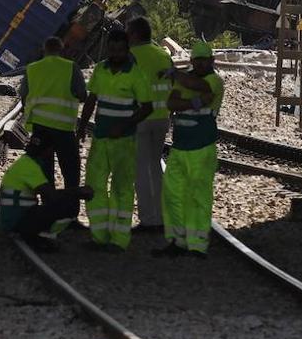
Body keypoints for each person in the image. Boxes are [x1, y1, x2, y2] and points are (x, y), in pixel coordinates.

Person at [76, 28, 153, 251]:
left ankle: (119, 240)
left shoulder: (136, 74)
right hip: (100, 138)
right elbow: (92, 99)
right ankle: (99, 236)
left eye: (120, 50)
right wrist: (81, 127)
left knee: (122, 189)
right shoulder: (101, 68)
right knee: (94, 186)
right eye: (112, 50)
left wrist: (126, 125)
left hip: (124, 142)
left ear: (127, 49)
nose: (116, 54)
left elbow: (147, 107)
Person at [153, 41, 224, 259]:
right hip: (180, 147)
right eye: (197, 61)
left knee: (198, 196)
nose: (201, 64)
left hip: (202, 148)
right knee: (173, 194)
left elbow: (204, 91)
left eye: (205, 60)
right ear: (192, 61)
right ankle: (178, 240)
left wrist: (178, 76)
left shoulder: (215, 80)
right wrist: (194, 102)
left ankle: (197, 244)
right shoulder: (187, 80)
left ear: (211, 61)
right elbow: (172, 103)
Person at [0, 132, 94, 252]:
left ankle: (36, 234)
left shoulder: (25, 162)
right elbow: (51, 195)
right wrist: (78, 192)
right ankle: (43, 237)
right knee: (66, 206)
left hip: (13, 218)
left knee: (58, 202)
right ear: (47, 150)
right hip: (17, 222)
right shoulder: (30, 167)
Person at [18, 36, 87, 201]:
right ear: (61, 50)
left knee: (45, 171)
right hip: (64, 128)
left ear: (44, 50)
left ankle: (49, 208)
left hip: (40, 128)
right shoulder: (71, 67)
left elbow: (24, 97)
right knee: (71, 170)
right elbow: (82, 95)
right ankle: (71, 211)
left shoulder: (32, 68)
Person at [127, 17, 174, 234]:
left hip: (140, 118)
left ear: (135, 35)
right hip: (162, 116)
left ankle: (149, 219)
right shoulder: (163, 55)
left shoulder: (131, 56)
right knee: (155, 166)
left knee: (141, 170)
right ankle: (162, 216)